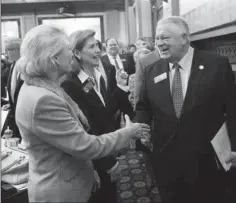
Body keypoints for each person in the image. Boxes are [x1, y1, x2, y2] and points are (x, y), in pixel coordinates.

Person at [14, 24, 149, 203]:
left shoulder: (41, 86)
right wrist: (128, 133)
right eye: (68, 50)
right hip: (62, 192)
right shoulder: (43, 99)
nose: (72, 54)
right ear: (54, 59)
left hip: (74, 178)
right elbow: (85, 145)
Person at [134, 16, 236, 203]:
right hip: (167, 160)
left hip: (207, 160)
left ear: (184, 38)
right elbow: (143, 107)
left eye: (165, 38)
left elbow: (234, 108)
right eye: (157, 39)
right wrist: (140, 127)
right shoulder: (151, 71)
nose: (159, 44)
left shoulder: (216, 64)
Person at [61, 29, 134, 203]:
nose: (98, 51)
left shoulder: (98, 77)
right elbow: (87, 129)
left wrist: (122, 87)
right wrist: (107, 163)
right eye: (92, 47)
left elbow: (107, 112)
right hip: (94, 160)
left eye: (98, 46)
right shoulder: (71, 84)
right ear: (77, 53)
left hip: (108, 148)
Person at [1, 37, 23, 139]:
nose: (6, 54)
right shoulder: (13, 65)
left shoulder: (26, 66)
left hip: (23, 113)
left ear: (16, 50)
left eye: (7, 50)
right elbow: (13, 89)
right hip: (14, 113)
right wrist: (11, 104)